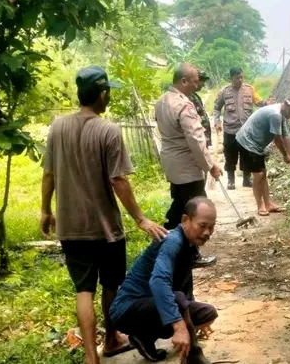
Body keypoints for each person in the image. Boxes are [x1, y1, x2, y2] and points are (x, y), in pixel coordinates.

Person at [40, 65, 168, 364]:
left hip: (71, 227)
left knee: (83, 289)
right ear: (102, 94)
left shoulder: (57, 127)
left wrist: (46, 209)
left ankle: (90, 356)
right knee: (111, 284)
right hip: (105, 227)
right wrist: (140, 218)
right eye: (107, 91)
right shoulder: (108, 130)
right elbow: (119, 180)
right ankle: (110, 340)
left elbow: (48, 174)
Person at [110, 197, 218, 364]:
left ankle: (143, 337)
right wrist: (179, 326)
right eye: (202, 226)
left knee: (207, 313)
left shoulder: (189, 245)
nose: (207, 233)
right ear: (185, 220)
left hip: (153, 304)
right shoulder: (172, 241)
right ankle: (193, 356)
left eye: (211, 227)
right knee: (177, 300)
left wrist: (190, 319)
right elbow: (158, 282)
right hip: (126, 309)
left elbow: (183, 285)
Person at [156, 63, 222, 269]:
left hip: (171, 163)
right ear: (183, 81)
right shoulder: (184, 105)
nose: (197, 83)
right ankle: (190, 254)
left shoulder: (161, 101)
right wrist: (210, 165)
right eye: (194, 80)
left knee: (179, 205)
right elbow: (195, 140)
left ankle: (163, 244)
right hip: (187, 166)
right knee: (195, 211)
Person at [236, 96, 290, 216]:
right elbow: (277, 139)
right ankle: (260, 206)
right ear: (288, 106)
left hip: (257, 144)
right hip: (248, 142)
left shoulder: (281, 114)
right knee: (258, 174)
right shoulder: (275, 114)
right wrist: (285, 156)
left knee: (263, 173)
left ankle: (269, 204)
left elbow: (285, 135)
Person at [213, 66, 274, 190]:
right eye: (237, 78)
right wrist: (217, 122)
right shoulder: (224, 92)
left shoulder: (250, 90)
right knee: (230, 155)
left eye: (241, 77)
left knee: (247, 155)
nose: (240, 80)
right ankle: (231, 181)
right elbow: (216, 107)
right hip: (231, 130)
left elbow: (259, 102)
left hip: (246, 131)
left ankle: (246, 179)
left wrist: (268, 103)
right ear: (231, 79)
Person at [189, 70, 213, 148]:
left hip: (203, 138)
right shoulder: (187, 97)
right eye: (202, 81)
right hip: (198, 140)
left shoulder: (194, 95)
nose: (203, 84)